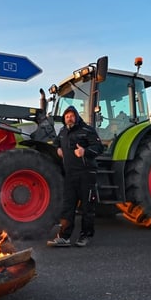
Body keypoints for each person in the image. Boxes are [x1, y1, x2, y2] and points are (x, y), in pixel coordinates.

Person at [47, 105, 103, 248]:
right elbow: (56, 143)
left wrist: (85, 151)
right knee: (68, 207)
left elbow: (99, 147)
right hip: (70, 174)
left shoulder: (87, 130)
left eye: (71, 116)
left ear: (76, 117)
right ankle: (64, 237)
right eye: (66, 116)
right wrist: (58, 148)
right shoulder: (63, 131)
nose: (69, 118)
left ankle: (85, 236)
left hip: (86, 174)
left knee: (87, 207)